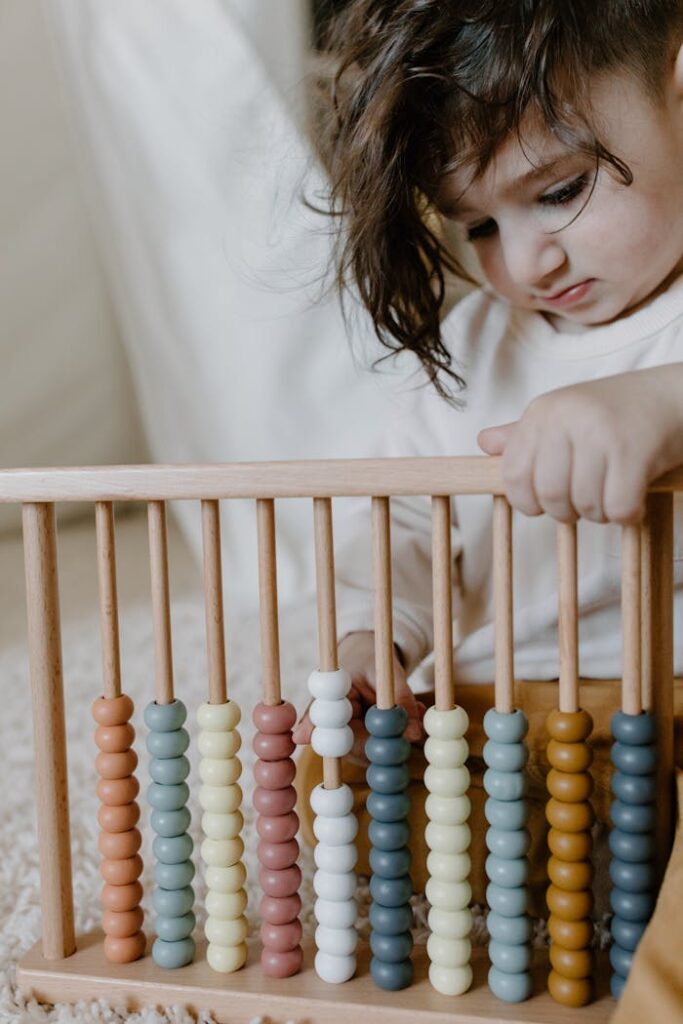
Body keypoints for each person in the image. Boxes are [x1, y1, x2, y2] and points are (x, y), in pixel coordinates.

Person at [293, 0, 683, 917]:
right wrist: (373, 637)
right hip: (518, 707)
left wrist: (665, 401)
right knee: (331, 777)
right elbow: (408, 525)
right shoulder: (475, 349)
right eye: (477, 227)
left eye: (558, 191)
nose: (526, 262)